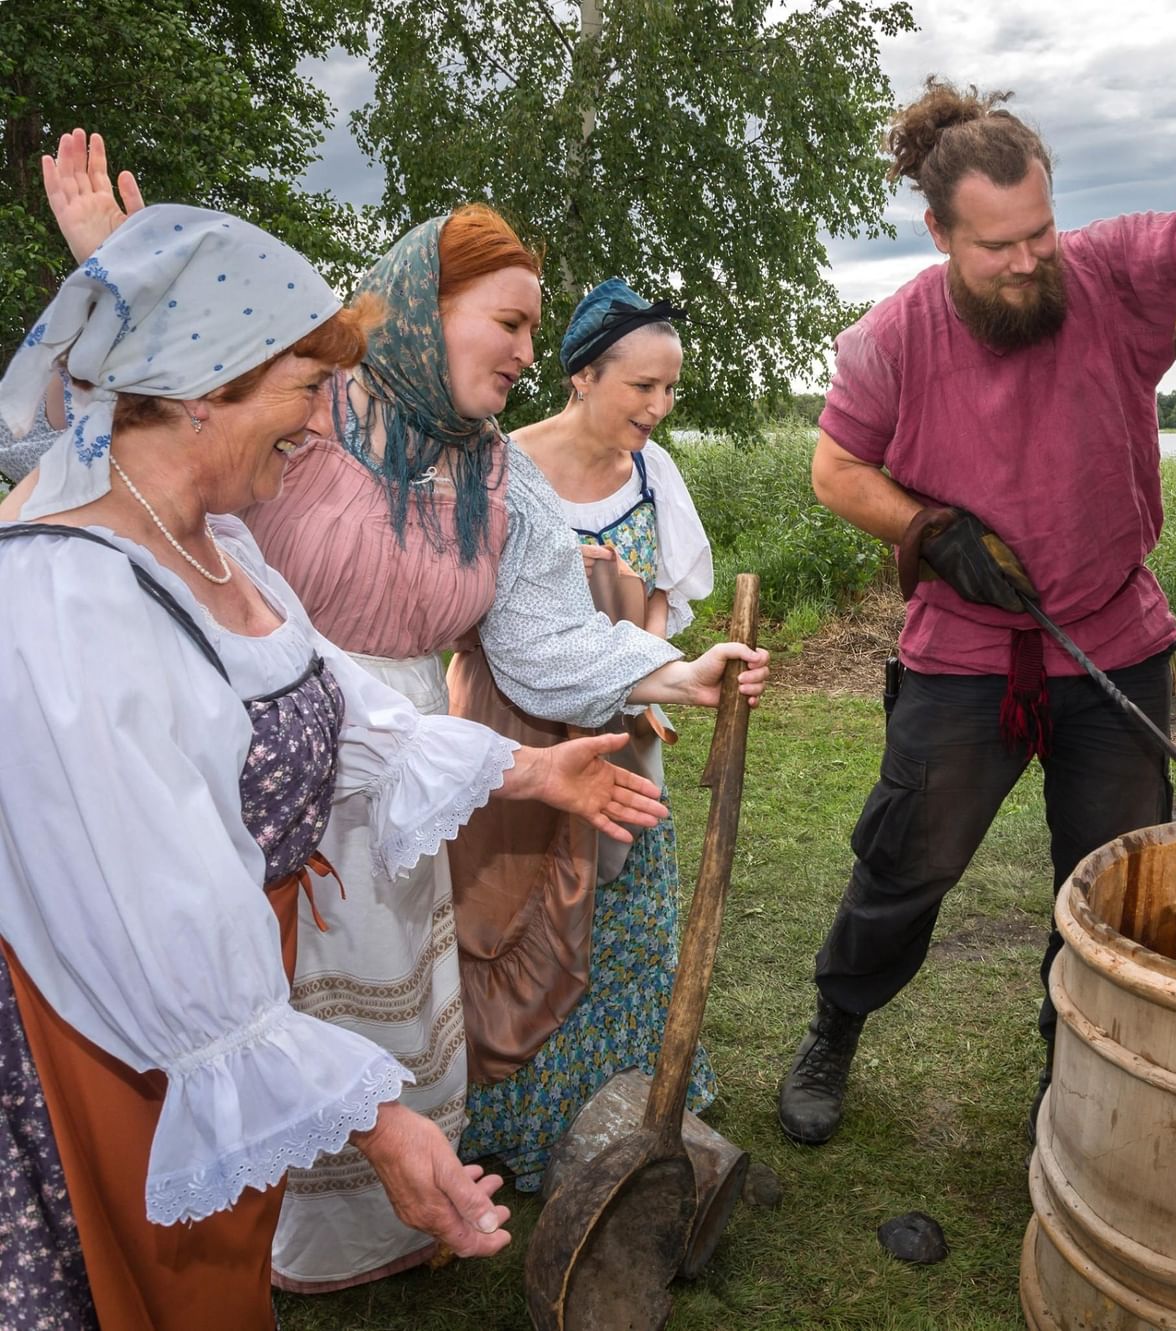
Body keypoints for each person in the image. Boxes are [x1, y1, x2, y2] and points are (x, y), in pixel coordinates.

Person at [17, 130, 770, 1293]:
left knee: (393, 1008)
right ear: (427, 304)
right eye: (508, 322)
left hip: (399, 761)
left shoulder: (475, 477)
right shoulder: (232, 475)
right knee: (214, 1064)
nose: (527, 348)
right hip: (209, 817)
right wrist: (131, 288)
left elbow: (487, 647)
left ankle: (379, 1221)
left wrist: (658, 675)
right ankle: (284, 1234)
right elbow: (107, 458)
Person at [774, 78, 1176, 1148]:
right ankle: (835, 1023)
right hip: (965, 651)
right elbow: (833, 468)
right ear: (938, 231)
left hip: (1111, 635)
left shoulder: (1103, 273)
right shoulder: (894, 335)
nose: (1028, 260)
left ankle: (1072, 1070)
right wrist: (930, 530)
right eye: (997, 244)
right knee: (906, 858)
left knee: (1107, 880)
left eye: (1039, 231)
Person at [456, 278, 719, 1189]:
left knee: (629, 927)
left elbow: (654, 610)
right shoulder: (503, 468)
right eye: (641, 387)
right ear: (581, 377)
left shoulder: (656, 478)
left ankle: (621, 1116)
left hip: (624, 722)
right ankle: (516, 1126)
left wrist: (660, 682)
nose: (659, 406)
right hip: (518, 722)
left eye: (670, 388)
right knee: (519, 916)